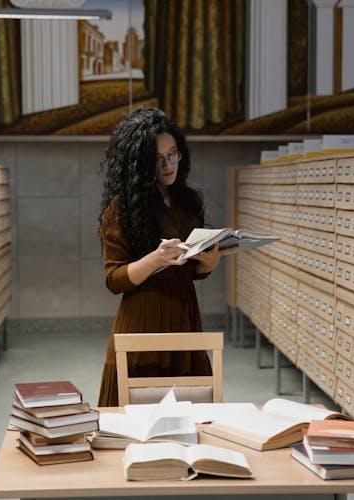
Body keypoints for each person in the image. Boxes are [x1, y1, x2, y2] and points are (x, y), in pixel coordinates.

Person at [97, 107, 231, 407]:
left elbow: (192, 268)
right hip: (142, 319)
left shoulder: (189, 200)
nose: (168, 164)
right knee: (135, 420)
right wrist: (155, 259)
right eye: (158, 159)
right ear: (140, 163)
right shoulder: (122, 209)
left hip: (184, 313)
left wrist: (208, 264)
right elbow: (114, 279)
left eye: (173, 154)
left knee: (190, 413)